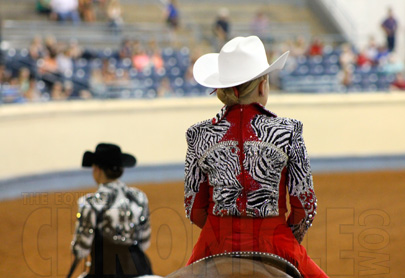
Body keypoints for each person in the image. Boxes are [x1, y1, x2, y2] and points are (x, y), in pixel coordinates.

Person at [184, 36, 328, 278]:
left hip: (215, 242)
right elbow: (305, 206)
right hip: (275, 241)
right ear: (263, 86)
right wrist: (286, 237)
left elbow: (194, 208)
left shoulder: (199, 134)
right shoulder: (288, 131)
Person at [71, 143, 153, 277]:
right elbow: (144, 242)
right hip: (140, 268)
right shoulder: (139, 197)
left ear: (97, 169)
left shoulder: (90, 203)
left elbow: (81, 250)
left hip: (104, 271)